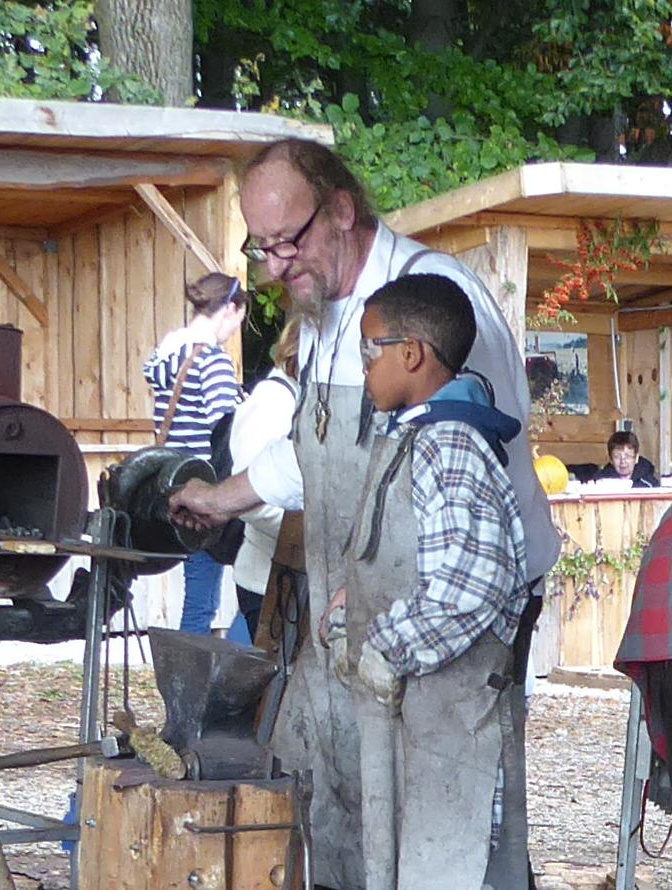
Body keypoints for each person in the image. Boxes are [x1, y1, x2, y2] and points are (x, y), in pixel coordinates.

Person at [168, 138, 558, 888]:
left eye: (290, 240)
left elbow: (476, 501)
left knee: (452, 840)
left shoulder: (433, 299)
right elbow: (312, 452)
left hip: (451, 632)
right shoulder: (323, 317)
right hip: (367, 620)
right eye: (262, 247)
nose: (276, 264)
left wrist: (403, 629)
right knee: (357, 833)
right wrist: (219, 498)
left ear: (341, 209)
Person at [331, 274, 532, 887]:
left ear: (411, 353)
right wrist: (349, 613)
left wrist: (389, 647)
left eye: (370, 349)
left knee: (460, 868)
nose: (364, 365)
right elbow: (408, 562)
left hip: (457, 728)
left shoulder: (451, 446)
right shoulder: (416, 437)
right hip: (422, 727)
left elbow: (470, 585)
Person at [143, 272, 246, 636]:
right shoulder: (212, 360)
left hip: (173, 484)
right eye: (238, 321)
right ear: (231, 309)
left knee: (197, 599)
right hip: (206, 489)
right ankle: (193, 686)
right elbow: (226, 429)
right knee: (216, 599)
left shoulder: (167, 356)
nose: (235, 331)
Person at [224, 313, 301, 643]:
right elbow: (252, 501)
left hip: (293, 577)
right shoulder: (273, 401)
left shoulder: (299, 399)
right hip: (267, 580)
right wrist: (311, 538)